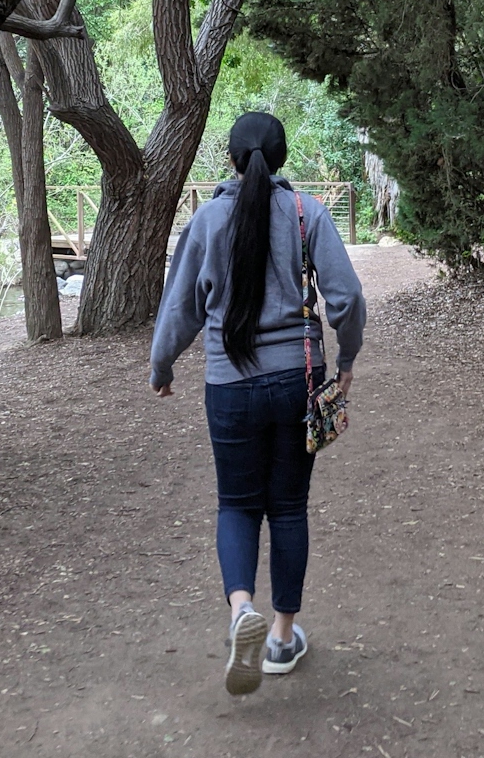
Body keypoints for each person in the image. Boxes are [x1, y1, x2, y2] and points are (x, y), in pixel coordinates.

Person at [149, 112, 366, 695]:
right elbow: (345, 298)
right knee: (289, 508)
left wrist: (161, 365)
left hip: (229, 388)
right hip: (298, 379)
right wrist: (345, 363)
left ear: (231, 160)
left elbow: (181, 307)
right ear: (282, 157)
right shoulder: (307, 213)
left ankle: (240, 606)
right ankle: (280, 636)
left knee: (237, 505)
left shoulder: (207, 220)